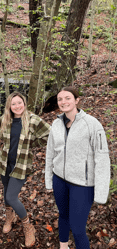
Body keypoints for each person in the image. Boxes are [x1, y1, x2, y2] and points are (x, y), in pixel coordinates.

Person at [45, 86, 110, 249]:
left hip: (83, 184)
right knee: (63, 215)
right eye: (60, 99)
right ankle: (63, 246)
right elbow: (50, 154)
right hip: (59, 179)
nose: (63, 102)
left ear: (77, 100)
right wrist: (48, 180)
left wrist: (101, 193)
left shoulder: (92, 125)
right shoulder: (56, 124)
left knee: (78, 228)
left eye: (67, 98)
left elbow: (102, 158)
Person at [0, 91, 50, 248]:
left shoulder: (33, 120)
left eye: (19, 103)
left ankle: (27, 225)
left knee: (11, 197)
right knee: (6, 191)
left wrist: (32, 145)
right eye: (13, 103)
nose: (17, 106)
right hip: (5, 163)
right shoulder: (5, 119)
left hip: (21, 165)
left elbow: (49, 134)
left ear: (24, 103)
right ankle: (10, 217)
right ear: (9, 106)